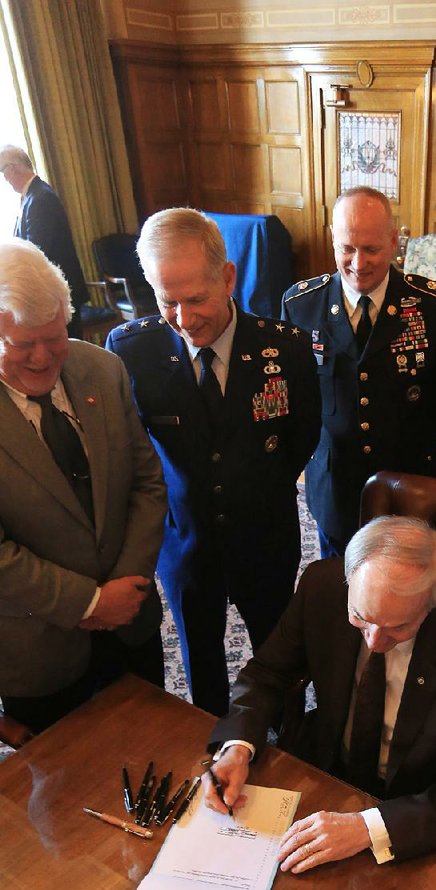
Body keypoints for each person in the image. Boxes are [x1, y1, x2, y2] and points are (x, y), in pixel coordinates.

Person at [203, 516, 436, 870]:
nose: (373, 641)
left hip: (414, 801)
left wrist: (368, 828)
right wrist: (237, 748)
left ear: (432, 603)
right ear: (350, 579)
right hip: (326, 764)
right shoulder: (321, 586)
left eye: (397, 627)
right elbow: (266, 674)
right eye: (360, 617)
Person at [107, 208, 321, 717]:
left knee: (277, 646)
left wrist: (256, 484)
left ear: (227, 277)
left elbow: (301, 437)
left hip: (264, 534)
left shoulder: (284, 348)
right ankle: (210, 733)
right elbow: (136, 453)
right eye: (167, 301)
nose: (184, 318)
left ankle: (286, 729)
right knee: (199, 652)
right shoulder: (130, 350)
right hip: (185, 540)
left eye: (197, 298)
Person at [0, 239, 165, 733]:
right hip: (39, 650)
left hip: (131, 624)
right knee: (60, 794)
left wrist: (126, 587)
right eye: (22, 344)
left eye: (55, 336)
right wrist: (89, 603)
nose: (44, 356)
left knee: (156, 749)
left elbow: (147, 482)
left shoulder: (102, 367)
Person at [281, 187, 436, 558]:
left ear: (394, 241)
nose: (358, 262)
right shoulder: (301, 305)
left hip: (409, 480)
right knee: (338, 583)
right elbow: (293, 395)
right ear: (332, 240)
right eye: (346, 248)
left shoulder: (434, 307)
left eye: (371, 249)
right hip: (335, 484)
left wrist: (417, 441)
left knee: (406, 584)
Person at [0, 144, 88, 339]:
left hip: (57, 292)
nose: (4, 180)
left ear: (12, 168)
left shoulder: (40, 198)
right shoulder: (31, 196)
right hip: (51, 290)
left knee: (68, 351)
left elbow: (36, 250)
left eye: (3, 173)